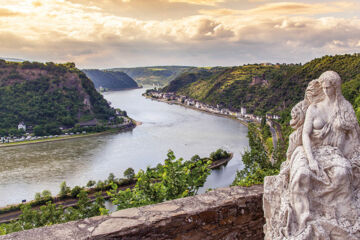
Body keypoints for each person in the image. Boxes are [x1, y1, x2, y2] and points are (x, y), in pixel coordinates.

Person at [264, 71, 360, 240]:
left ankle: (331, 213)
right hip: (308, 150)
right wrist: (311, 159)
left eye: (329, 87)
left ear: (336, 88)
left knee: (342, 173)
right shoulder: (314, 108)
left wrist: (350, 155)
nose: (325, 90)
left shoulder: (345, 108)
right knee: (301, 175)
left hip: (333, 152)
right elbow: (305, 135)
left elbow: (354, 137)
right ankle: (304, 220)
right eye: (323, 87)